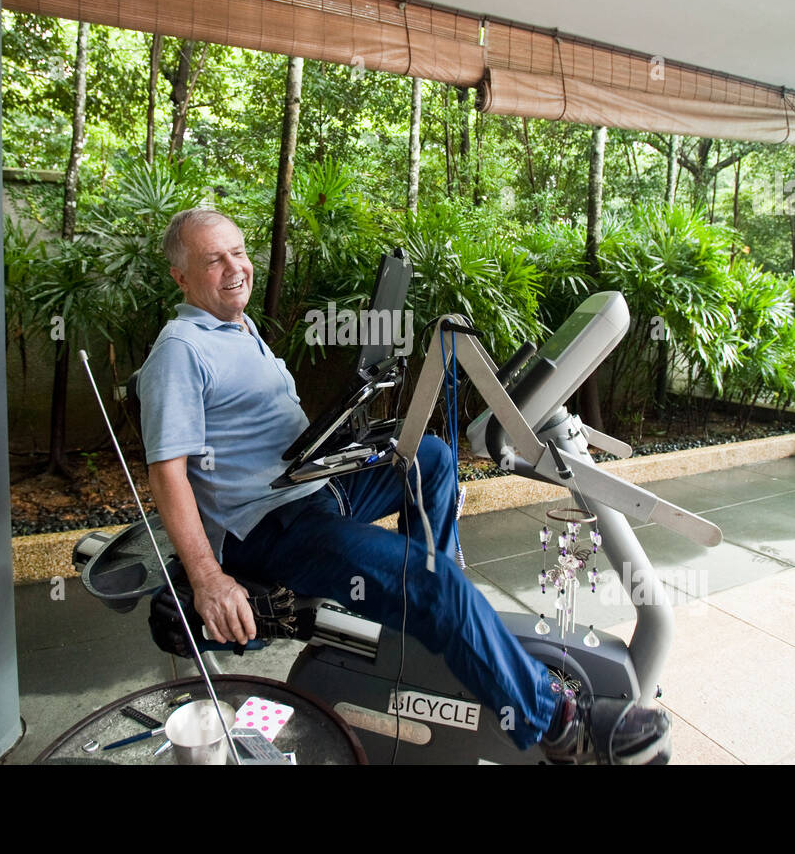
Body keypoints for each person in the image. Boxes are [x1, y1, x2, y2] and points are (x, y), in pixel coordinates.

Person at [135, 207, 629, 760]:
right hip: (272, 526)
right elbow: (166, 472)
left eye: (239, 252)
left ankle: (429, 622)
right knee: (437, 586)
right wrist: (208, 579)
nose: (235, 268)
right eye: (213, 259)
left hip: (313, 489)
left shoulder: (238, 328)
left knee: (431, 457)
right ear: (181, 277)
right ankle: (558, 723)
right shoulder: (180, 350)